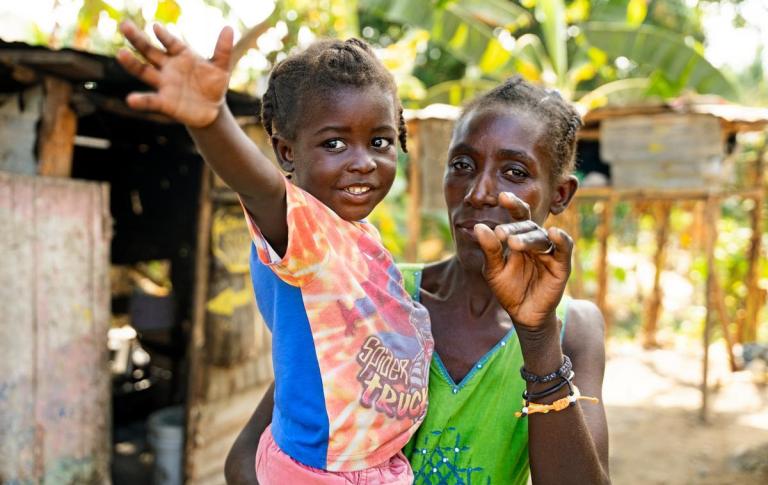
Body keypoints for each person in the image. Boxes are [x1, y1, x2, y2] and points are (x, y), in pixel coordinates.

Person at [225, 76, 610, 485]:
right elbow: (247, 456)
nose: (478, 193)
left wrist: (538, 339)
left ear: (560, 195)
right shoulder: (371, 290)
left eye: (514, 172)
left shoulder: (571, 330)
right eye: (462, 165)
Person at [117, 21, 434, 484]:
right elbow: (260, 188)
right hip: (323, 472)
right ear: (286, 153)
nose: (363, 160)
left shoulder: (357, 232)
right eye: (334, 143)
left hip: (372, 462)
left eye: (379, 141)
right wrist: (211, 120)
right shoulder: (304, 232)